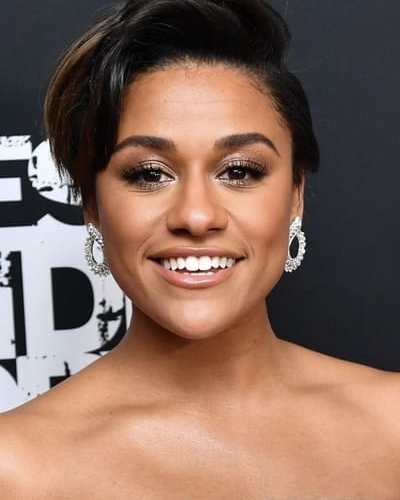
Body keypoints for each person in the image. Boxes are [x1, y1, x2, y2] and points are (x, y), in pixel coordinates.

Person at [1, 0, 400, 498]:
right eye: (149, 174)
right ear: (93, 207)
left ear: (295, 194)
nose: (195, 216)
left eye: (239, 171)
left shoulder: (392, 423)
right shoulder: (15, 467)